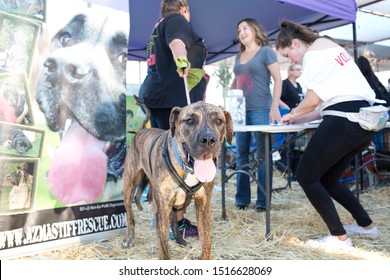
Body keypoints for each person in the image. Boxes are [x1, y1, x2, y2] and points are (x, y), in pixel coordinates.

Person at [276, 20, 380, 250]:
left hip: (343, 120)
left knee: (305, 176)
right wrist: (296, 117)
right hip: (362, 120)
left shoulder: (312, 55)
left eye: (288, 54)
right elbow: (322, 106)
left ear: (295, 43)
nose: (290, 61)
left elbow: (312, 101)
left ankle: (339, 238)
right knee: (328, 179)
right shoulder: (330, 48)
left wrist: (293, 111)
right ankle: (367, 226)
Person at [139, 0, 208, 239]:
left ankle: (163, 214)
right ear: (184, 8)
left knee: (163, 162)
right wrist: (182, 60)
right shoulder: (176, 20)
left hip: (160, 100)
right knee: (177, 163)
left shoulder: (157, 27)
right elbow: (178, 43)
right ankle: (176, 223)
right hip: (175, 105)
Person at [231, 18, 283, 212]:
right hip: (239, 112)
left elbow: (278, 80)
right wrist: (228, 102)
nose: (241, 32)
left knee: (263, 156)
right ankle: (242, 199)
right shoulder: (238, 57)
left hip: (261, 109)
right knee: (240, 154)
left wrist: (275, 106)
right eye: (239, 30)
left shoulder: (266, 52)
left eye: (245, 28)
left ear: (254, 29)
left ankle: (263, 201)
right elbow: (236, 81)